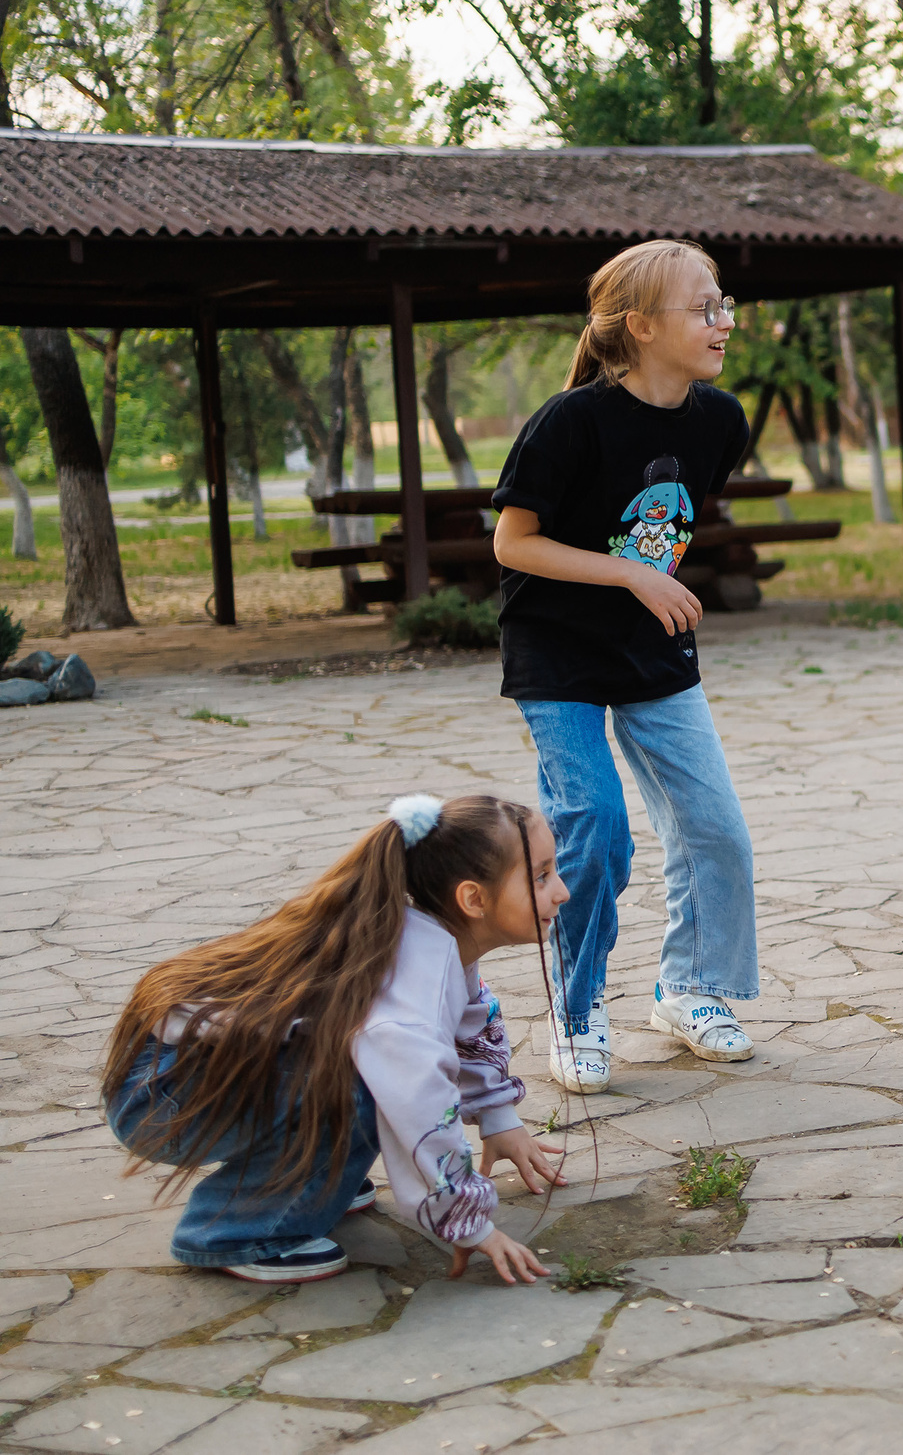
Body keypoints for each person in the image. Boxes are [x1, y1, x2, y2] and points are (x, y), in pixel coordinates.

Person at [491, 239, 762, 1094]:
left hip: (653, 653)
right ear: (642, 326)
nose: (723, 321)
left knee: (715, 829)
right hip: (557, 654)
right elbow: (513, 541)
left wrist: (648, 583)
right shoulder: (568, 423)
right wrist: (635, 574)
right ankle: (575, 1010)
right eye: (703, 307)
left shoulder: (720, 420)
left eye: (724, 304)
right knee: (597, 828)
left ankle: (689, 990)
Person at [103, 796, 571, 1284]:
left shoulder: (433, 939)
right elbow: (421, 1105)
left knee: (363, 1069)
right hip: (165, 1094)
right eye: (540, 876)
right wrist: (466, 1221)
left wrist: (497, 1117)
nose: (561, 891)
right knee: (370, 1084)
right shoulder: (414, 989)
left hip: (185, 1071)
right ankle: (238, 1230)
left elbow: (471, 1021)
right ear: (473, 899)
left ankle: (318, 1181)